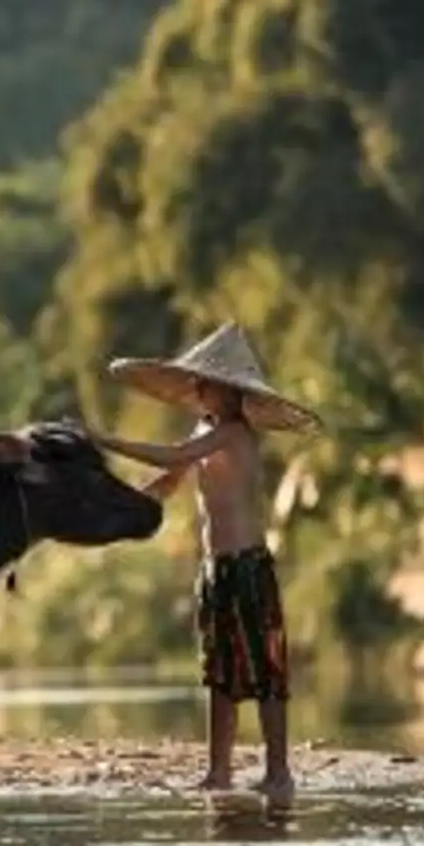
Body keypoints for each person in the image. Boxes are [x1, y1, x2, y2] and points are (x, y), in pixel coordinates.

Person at [90, 323, 322, 807]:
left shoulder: (236, 432)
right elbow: (170, 478)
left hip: (248, 566)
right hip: (215, 570)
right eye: (196, 381)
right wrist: (118, 506)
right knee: (219, 673)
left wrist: (103, 440)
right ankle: (218, 772)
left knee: (265, 672)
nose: (196, 389)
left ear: (230, 390)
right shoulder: (204, 431)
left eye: (205, 382)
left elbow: (173, 454)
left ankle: (279, 773)